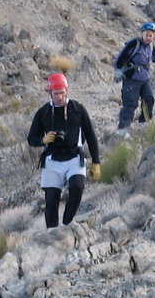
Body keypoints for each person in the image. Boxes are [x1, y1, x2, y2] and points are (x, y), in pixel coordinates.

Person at [26, 72, 102, 229]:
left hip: (74, 158)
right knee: (51, 201)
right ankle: (52, 233)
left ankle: (67, 223)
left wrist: (96, 162)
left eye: (62, 92)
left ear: (67, 91)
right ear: (50, 93)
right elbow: (31, 138)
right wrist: (43, 140)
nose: (60, 97)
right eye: (56, 94)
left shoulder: (78, 109)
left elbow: (90, 135)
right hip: (52, 160)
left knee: (77, 187)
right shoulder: (43, 112)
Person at [112, 21, 155, 135]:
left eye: (151, 35)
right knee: (130, 103)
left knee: (149, 99)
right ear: (142, 34)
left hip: (144, 79)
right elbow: (122, 56)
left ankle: (144, 123)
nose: (148, 37)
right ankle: (122, 129)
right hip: (131, 79)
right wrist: (118, 70)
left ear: (154, 36)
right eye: (146, 35)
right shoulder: (134, 44)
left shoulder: (151, 47)